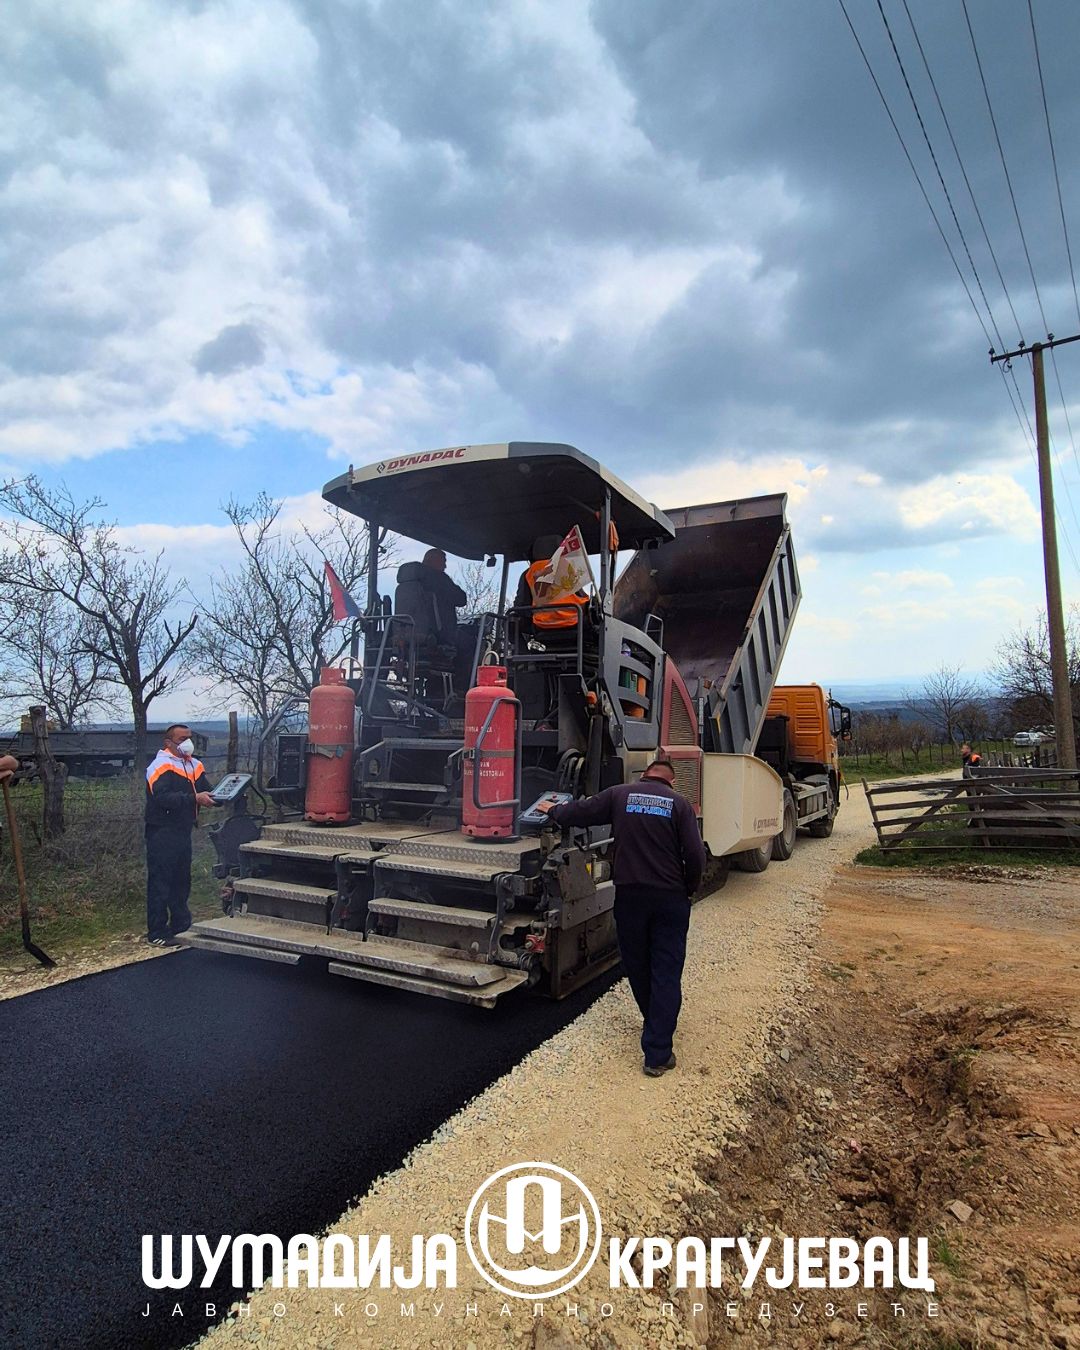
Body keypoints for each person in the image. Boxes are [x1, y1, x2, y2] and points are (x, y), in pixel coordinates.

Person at [538, 757, 706, 1076]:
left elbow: (582, 813)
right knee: (666, 970)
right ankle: (657, 1052)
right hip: (670, 899)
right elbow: (695, 854)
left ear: (645, 776)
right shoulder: (680, 804)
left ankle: (654, 1022)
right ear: (670, 780)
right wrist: (689, 888)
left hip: (631, 897)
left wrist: (553, 811)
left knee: (638, 964)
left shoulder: (620, 795)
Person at [144, 725, 216, 947]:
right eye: (182, 738)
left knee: (181, 880)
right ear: (169, 743)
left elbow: (206, 788)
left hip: (184, 829)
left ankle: (181, 925)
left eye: (189, 738)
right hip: (162, 830)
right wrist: (195, 799)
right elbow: (163, 797)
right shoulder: (160, 765)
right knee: (161, 881)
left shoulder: (194, 764)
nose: (188, 742)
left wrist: (223, 795)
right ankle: (157, 931)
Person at [514, 535, 588, 629]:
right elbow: (579, 597)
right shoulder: (569, 568)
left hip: (541, 626)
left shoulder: (528, 574)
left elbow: (521, 604)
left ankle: (521, 644)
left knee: (511, 620)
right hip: (573, 623)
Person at [420, 548, 468, 646]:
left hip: (414, 635)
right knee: (471, 642)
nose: (445, 566)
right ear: (432, 560)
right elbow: (461, 599)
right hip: (441, 635)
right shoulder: (440, 580)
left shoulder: (409, 585)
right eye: (443, 562)